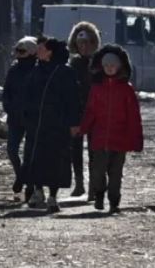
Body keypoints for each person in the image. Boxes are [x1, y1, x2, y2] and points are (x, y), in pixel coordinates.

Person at [79, 45, 143, 214]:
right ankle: (99, 194)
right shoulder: (96, 88)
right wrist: (83, 128)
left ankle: (114, 202)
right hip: (100, 138)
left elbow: (134, 117)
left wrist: (136, 140)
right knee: (97, 171)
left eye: (112, 66)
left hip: (119, 139)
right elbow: (90, 111)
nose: (109, 69)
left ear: (119, 67)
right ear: (101, 67)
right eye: (106, 66)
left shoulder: (126, 90)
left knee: (116, 174)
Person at [22, 37, 81, 213]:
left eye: (41, 48)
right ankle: (38, 191)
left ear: (50, 52)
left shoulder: (65, 72)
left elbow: (72, 100)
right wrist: (26, 115)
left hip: (58, 124)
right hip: (36, 124)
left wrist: (74, 123)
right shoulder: (35, 71)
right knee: (36, 158)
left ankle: (53, 196)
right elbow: (27, 95)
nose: (37, 51)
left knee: (56, 160)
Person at [67, 22, 100, 198]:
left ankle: (94, 186)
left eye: (87, 42)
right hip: (77, 112)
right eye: (80, 43)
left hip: (96, 113)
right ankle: (79, 182)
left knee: (95, 150)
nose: (84, 47)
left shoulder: (100, 63)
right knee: (75, 149)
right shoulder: (73, 64)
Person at [1, 36, 37, 199]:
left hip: (32, 118)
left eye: (21, 51)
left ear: (31, 52)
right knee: (12, 150)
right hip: (15, 117)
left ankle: (29, 184)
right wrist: (8, 108)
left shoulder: (38, 70)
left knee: (30, 154)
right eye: (16, 51)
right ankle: (20, 176)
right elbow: (6, 92)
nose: (17, 54)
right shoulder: (13, 70)